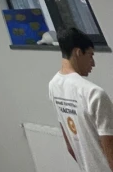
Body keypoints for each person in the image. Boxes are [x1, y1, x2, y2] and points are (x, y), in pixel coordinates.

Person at [49, 27, 113, 171]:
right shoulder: (94, 94)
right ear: (78, 52)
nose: (93, 63)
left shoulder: (53, 85)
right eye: (90, 55)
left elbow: (70, 147)